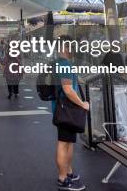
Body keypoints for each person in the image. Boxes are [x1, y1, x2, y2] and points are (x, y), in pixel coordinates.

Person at [53, 35, 88, 191]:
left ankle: (68, 171)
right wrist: (83, 104)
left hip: (63, 109)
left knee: (68, 143)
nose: (73, 49)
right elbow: (67, 90)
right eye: (70, 46)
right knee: (63, 143)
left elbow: (70, 82)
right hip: (66, 110)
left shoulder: (59, 63)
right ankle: (62, 178)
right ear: (64, 48)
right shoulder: (65, 64)